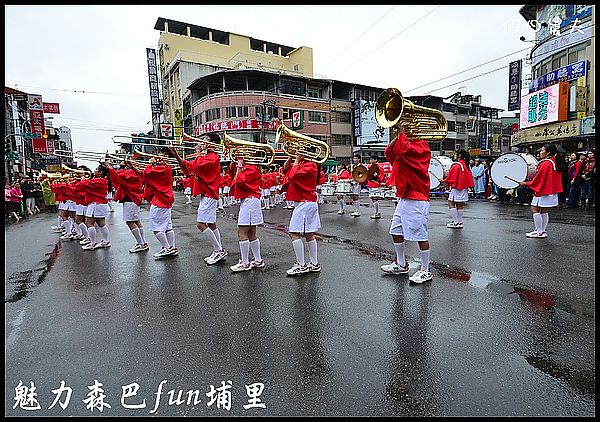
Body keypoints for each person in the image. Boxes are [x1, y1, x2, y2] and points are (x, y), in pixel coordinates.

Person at [380, 124, 433, 284]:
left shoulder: (422, 145)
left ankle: (425, 270)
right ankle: (401, 264)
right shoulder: (406, 142)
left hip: (417, 197)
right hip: (405, 197)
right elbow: (389, 152)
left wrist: (402, 132)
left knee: (420, 235)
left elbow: (404, 151)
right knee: (395, 231)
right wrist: (397, 134)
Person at [169, 134, 226, 265]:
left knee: (201, 225)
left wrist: (199, 153)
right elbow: (189, 166)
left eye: (205, 140)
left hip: (210, 194)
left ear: (212, 143)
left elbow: (198, 167)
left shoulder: (213, 157)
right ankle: (219, 250)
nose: (201, 142)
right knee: (211, 224)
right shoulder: (206, 157)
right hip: (206, 194)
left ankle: (218, 251)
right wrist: (176, 154)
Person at [127, 148, 177, 259]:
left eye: (161, 155)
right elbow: (144, 175)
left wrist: (150, 163)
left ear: (167, 158)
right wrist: (132, 167)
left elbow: (146, 173)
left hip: (160, 201)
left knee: (156, 227)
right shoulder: (164, 168)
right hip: (164, 200)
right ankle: (171, 247)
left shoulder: (162, 169)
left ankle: (167, 248)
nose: (158, 157)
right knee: (168, 226)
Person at [283, 153, 322, 275]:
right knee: (309, 233)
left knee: (293, 233)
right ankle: (314, 263)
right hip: (305, 201)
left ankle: (301, 265)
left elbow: (293, 176)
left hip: (305, 202)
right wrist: (291, 157)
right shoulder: (303, 163)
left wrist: (297, 160)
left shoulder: (311, 165)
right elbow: (285, 170)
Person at [519, 143, 564, 238]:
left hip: (543, 190)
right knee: (544, 210)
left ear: (548, 153)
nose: (540, 151)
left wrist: (526, 183)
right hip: (550, 190)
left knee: (534, 208)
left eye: (543, 150)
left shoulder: (546, 163)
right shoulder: (553, 162)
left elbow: (539, 179)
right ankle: (542, 231)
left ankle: (539, 231)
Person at [228, 156, 265, 272]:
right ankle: (258, 260)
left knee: (242, 232)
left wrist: (239, 164)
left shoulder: (251, 168)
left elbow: (238, 181)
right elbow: (231, 171)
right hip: (251, 200)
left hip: (250, 200)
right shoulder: (250, 167)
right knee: (251, 232)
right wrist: (236, 162)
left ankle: (245, 263)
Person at [105, 161, 149, 253]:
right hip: (133, 199)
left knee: (130, 222)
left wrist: (121, 167)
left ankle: (141, 244)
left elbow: (120, 176)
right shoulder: (137, 173)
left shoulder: (134, 174)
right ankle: (142, 242)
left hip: (131, 199)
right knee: (136, 221)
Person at [80, 165, 112, 250]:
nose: (94, 171)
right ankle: (106, 241)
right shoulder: (102, 180)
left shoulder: (100, 181)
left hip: (96, 204)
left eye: (96, 169)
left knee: (89, 223)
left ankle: (93, 243)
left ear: (101, 172)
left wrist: (83, 178)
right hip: (99, 204)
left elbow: (84, 184)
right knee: (101, 223)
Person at [443, 149, 474, 228]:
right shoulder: (466, 165)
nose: (454, 155)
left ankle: (456, 222)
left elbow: (452, 178)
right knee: (460, 205)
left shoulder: (457, 165)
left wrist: (444, 180)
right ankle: (460, 222)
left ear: (459, 155)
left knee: (451, 203)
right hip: (463, 187)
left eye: (456, 154)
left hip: (457, 187)